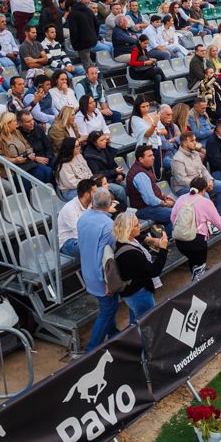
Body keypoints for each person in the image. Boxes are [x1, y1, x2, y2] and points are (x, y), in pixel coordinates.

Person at [77, 191, 120, 352]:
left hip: (88, 272)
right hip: (101, 277)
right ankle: (91, 352)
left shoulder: (83, 219)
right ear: (109, 204)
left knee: (108, 309)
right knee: (108, 311)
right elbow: (108, 258)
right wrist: (108, 282)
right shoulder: (108, 225)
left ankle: (114, 334)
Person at [112, 212, 167, 323]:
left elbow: (140, 237)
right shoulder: (131, 253)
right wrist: (163, 249)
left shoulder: (124, 240)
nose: (140, 226)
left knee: (135, 323)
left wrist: (151, 240)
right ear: (128, 230)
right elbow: (154, 271)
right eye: (136, 225)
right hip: (138, 293)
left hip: (133, 291)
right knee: (148, 323)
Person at [171, 176, 221, 280]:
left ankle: (194, 276)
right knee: (199, 268)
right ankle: (198, 282)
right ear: (204, 189)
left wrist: (182, 229)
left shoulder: (181, 198)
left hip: (180, 241)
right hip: (197, 242)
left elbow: (173, 217)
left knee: (192, 262)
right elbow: (218, 221)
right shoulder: (205, 202)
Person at [125, 145, 174, 223]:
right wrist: (165, 203)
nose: (153, 157)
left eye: (153, 155)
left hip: (152, 206)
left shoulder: (145, 167)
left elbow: (153, 189)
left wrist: (164, 197)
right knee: (175, 214)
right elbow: (150, 200)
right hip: (144, 209)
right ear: (141, 159)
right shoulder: (140, 175)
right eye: (150, 156)